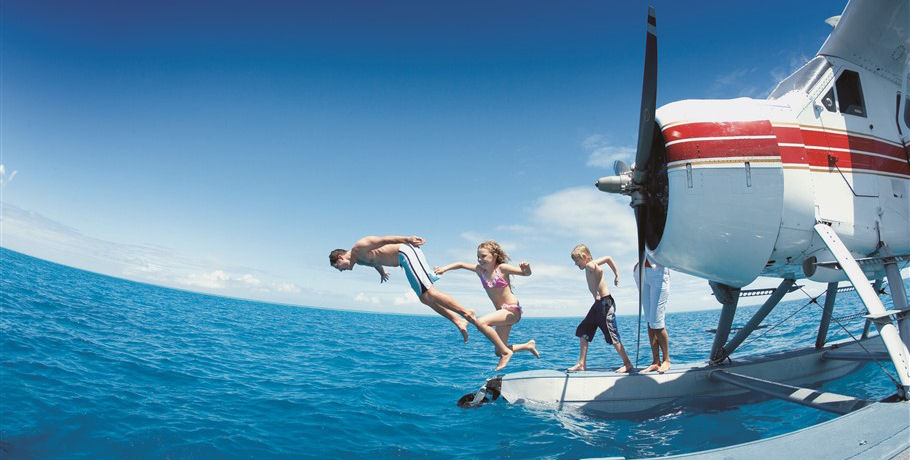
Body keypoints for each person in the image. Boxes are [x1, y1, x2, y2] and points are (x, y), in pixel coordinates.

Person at [329, 235, 476, 342]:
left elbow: (384, 240)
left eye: (338, 267)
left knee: (429, 292)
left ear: (340, 258)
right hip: (403, 261)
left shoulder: (359, 247)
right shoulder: (359, 261)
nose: (341, 270)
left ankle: (466, 312)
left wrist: (407, 239)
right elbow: (375, 262)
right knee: (424, 298)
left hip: (405, 251)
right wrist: (382, 273)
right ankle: (457, 320)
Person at [435, 240, 540, 371]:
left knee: (481, 322)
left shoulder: (502, 269)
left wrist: (526, 268)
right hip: (501, 313)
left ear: (495, 255)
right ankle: (527, 346)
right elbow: (461, 264)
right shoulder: (480, 271)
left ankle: (507, 353)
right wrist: (444, 269)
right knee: (498, 351)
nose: (480, 259)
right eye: (478, 257)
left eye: (483, 256)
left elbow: (526, 273)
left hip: (512, 311)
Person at [568, 244, 633, 373]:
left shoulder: (589, 265)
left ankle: (627, 363)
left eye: (576, 261)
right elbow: (608, 258)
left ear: (583, 257)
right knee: (584, 330)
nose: (576, 264)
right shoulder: (592, 263)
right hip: (599, 305)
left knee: (612, 333)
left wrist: (597, 289)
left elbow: (600, 271)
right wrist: (617, 274)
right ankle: (582, 364)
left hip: (605, 303)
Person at [633, 251, 671, 373]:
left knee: (657, 322)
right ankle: (655, 362)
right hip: (641, 272)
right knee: (650, 321)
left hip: (658, 271)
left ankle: (667, 360)